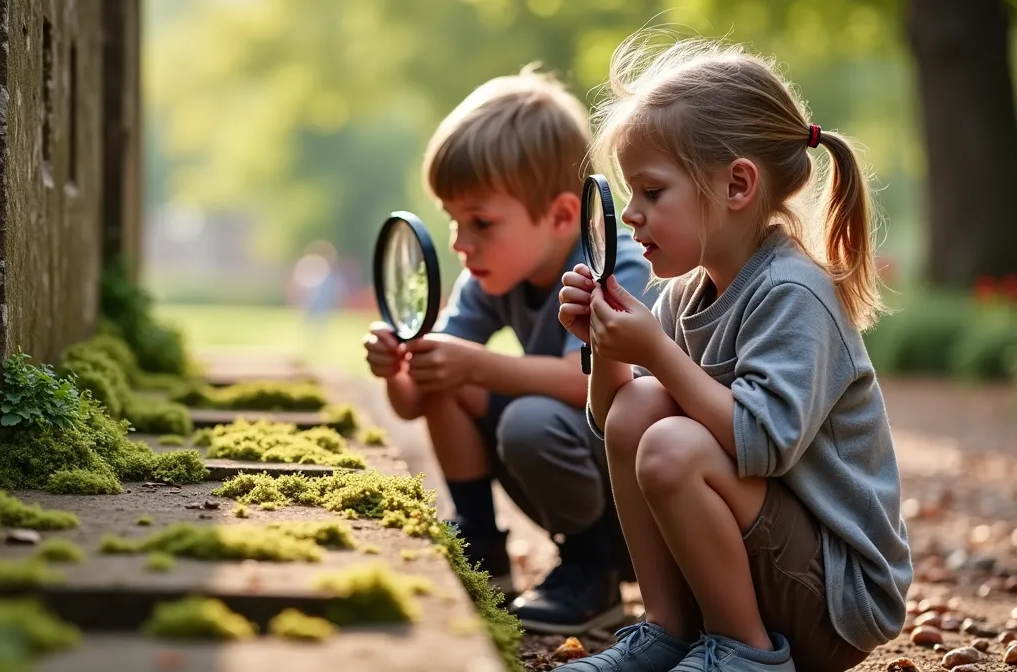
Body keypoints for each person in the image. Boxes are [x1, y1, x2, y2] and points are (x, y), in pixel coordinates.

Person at [555, 32, 912, 671]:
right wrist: (605, 347)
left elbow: (763, 442)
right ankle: (669, 630)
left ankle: (744, 652)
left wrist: (658, 353)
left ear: (736, 185)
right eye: (628, 194)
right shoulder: (686, 292)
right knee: (641, 409)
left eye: (652, 191)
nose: (631, 215)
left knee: (673, 444)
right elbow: (615, 423)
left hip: (835, 601)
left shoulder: (793, 292)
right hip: (765, 571)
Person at [362, 65, 657, 634]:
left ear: (561, 216)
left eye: (481, 221)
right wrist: (397, 369)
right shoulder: (491, 278)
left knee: (526, 418)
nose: (458, 242)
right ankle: (481, 544)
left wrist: (477, 364)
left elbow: (603, 384)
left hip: (636, 509)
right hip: (563, 471)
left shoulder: (613, 266)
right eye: (453, 220)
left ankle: (593, 574)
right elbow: (417, 400)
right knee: (447, 367)